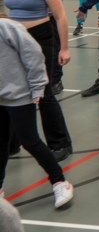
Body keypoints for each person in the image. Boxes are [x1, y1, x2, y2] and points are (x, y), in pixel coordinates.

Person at [0, 0, 72, 161]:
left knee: (44, 91)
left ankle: (60, 143)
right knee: (12, 91)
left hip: (40, 38)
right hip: (14, 40)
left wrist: (65, 48)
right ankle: (11, 143)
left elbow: (60, 17)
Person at [0, 12, 74, 210]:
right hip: (1, 97)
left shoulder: (8, 28)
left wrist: (38, 86)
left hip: (20, 95)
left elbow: (34, 55)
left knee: (30, 141)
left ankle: (60, 182)